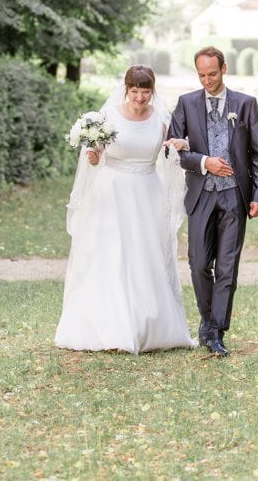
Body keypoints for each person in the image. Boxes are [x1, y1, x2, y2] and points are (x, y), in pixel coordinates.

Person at [55, 65, 194, 354]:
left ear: (152, 90)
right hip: (113, 192)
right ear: (126, 88)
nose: (140, 97)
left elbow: (175, 150)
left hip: (147, 192)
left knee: (146, 255)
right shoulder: (107, 117)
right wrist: (93, 156)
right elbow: (95, 158)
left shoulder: (161, 119)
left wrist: (179, 145)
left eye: (146, 91)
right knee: (113, 255)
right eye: (135, 91)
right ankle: (111, 328)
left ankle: (149, 326)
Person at [167, 46, 258, 357]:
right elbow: (174, 150)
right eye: (201, 75)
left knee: (227, 266)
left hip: (234, 195)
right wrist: (204, 161)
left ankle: (215, 331)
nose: (207, 80)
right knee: (198, 264)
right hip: (201, 195)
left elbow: (257, 154)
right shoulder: (186, 103)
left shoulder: (245, 104)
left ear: (224, 69)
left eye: (212, 73)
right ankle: (208, 319)